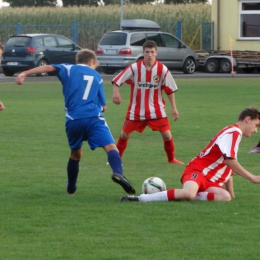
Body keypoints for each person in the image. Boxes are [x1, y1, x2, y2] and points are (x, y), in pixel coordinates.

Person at [15, 49, 136, 195]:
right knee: (111, 147)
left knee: (75, 154)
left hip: (73, 120)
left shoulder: (68, 68)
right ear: (92, 62)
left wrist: (24, 73)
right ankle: (118, 172)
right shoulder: (97, 76)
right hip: (93, 118)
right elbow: (103, 106)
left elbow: (48, 67)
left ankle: (71, 188)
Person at [120, 107, 260, 202]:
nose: (256, 130)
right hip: (198, 170)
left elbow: (228, 167)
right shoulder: (233, 132)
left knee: (225, 197)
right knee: (188, 194)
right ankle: (139, 199)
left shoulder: (235, 133)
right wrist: (252, 178)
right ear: (248, 119)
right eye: (256, 125)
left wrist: (232, 195)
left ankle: (185, 194)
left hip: (209, 179)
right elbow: (230, 161)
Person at [112, 40, 183, 164]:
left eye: (152, 52)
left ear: (156, 53)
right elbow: (117, 80)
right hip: (136, 110)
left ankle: (171, 159)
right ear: (143, 53)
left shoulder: (162, 69)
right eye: (147, 52)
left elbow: (169, 90)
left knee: (167, 135)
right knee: (124, 135)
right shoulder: (134, 68)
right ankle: (116, 160)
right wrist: (116, 92)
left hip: (157, 110)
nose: (149, 54)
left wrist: (174, 108)